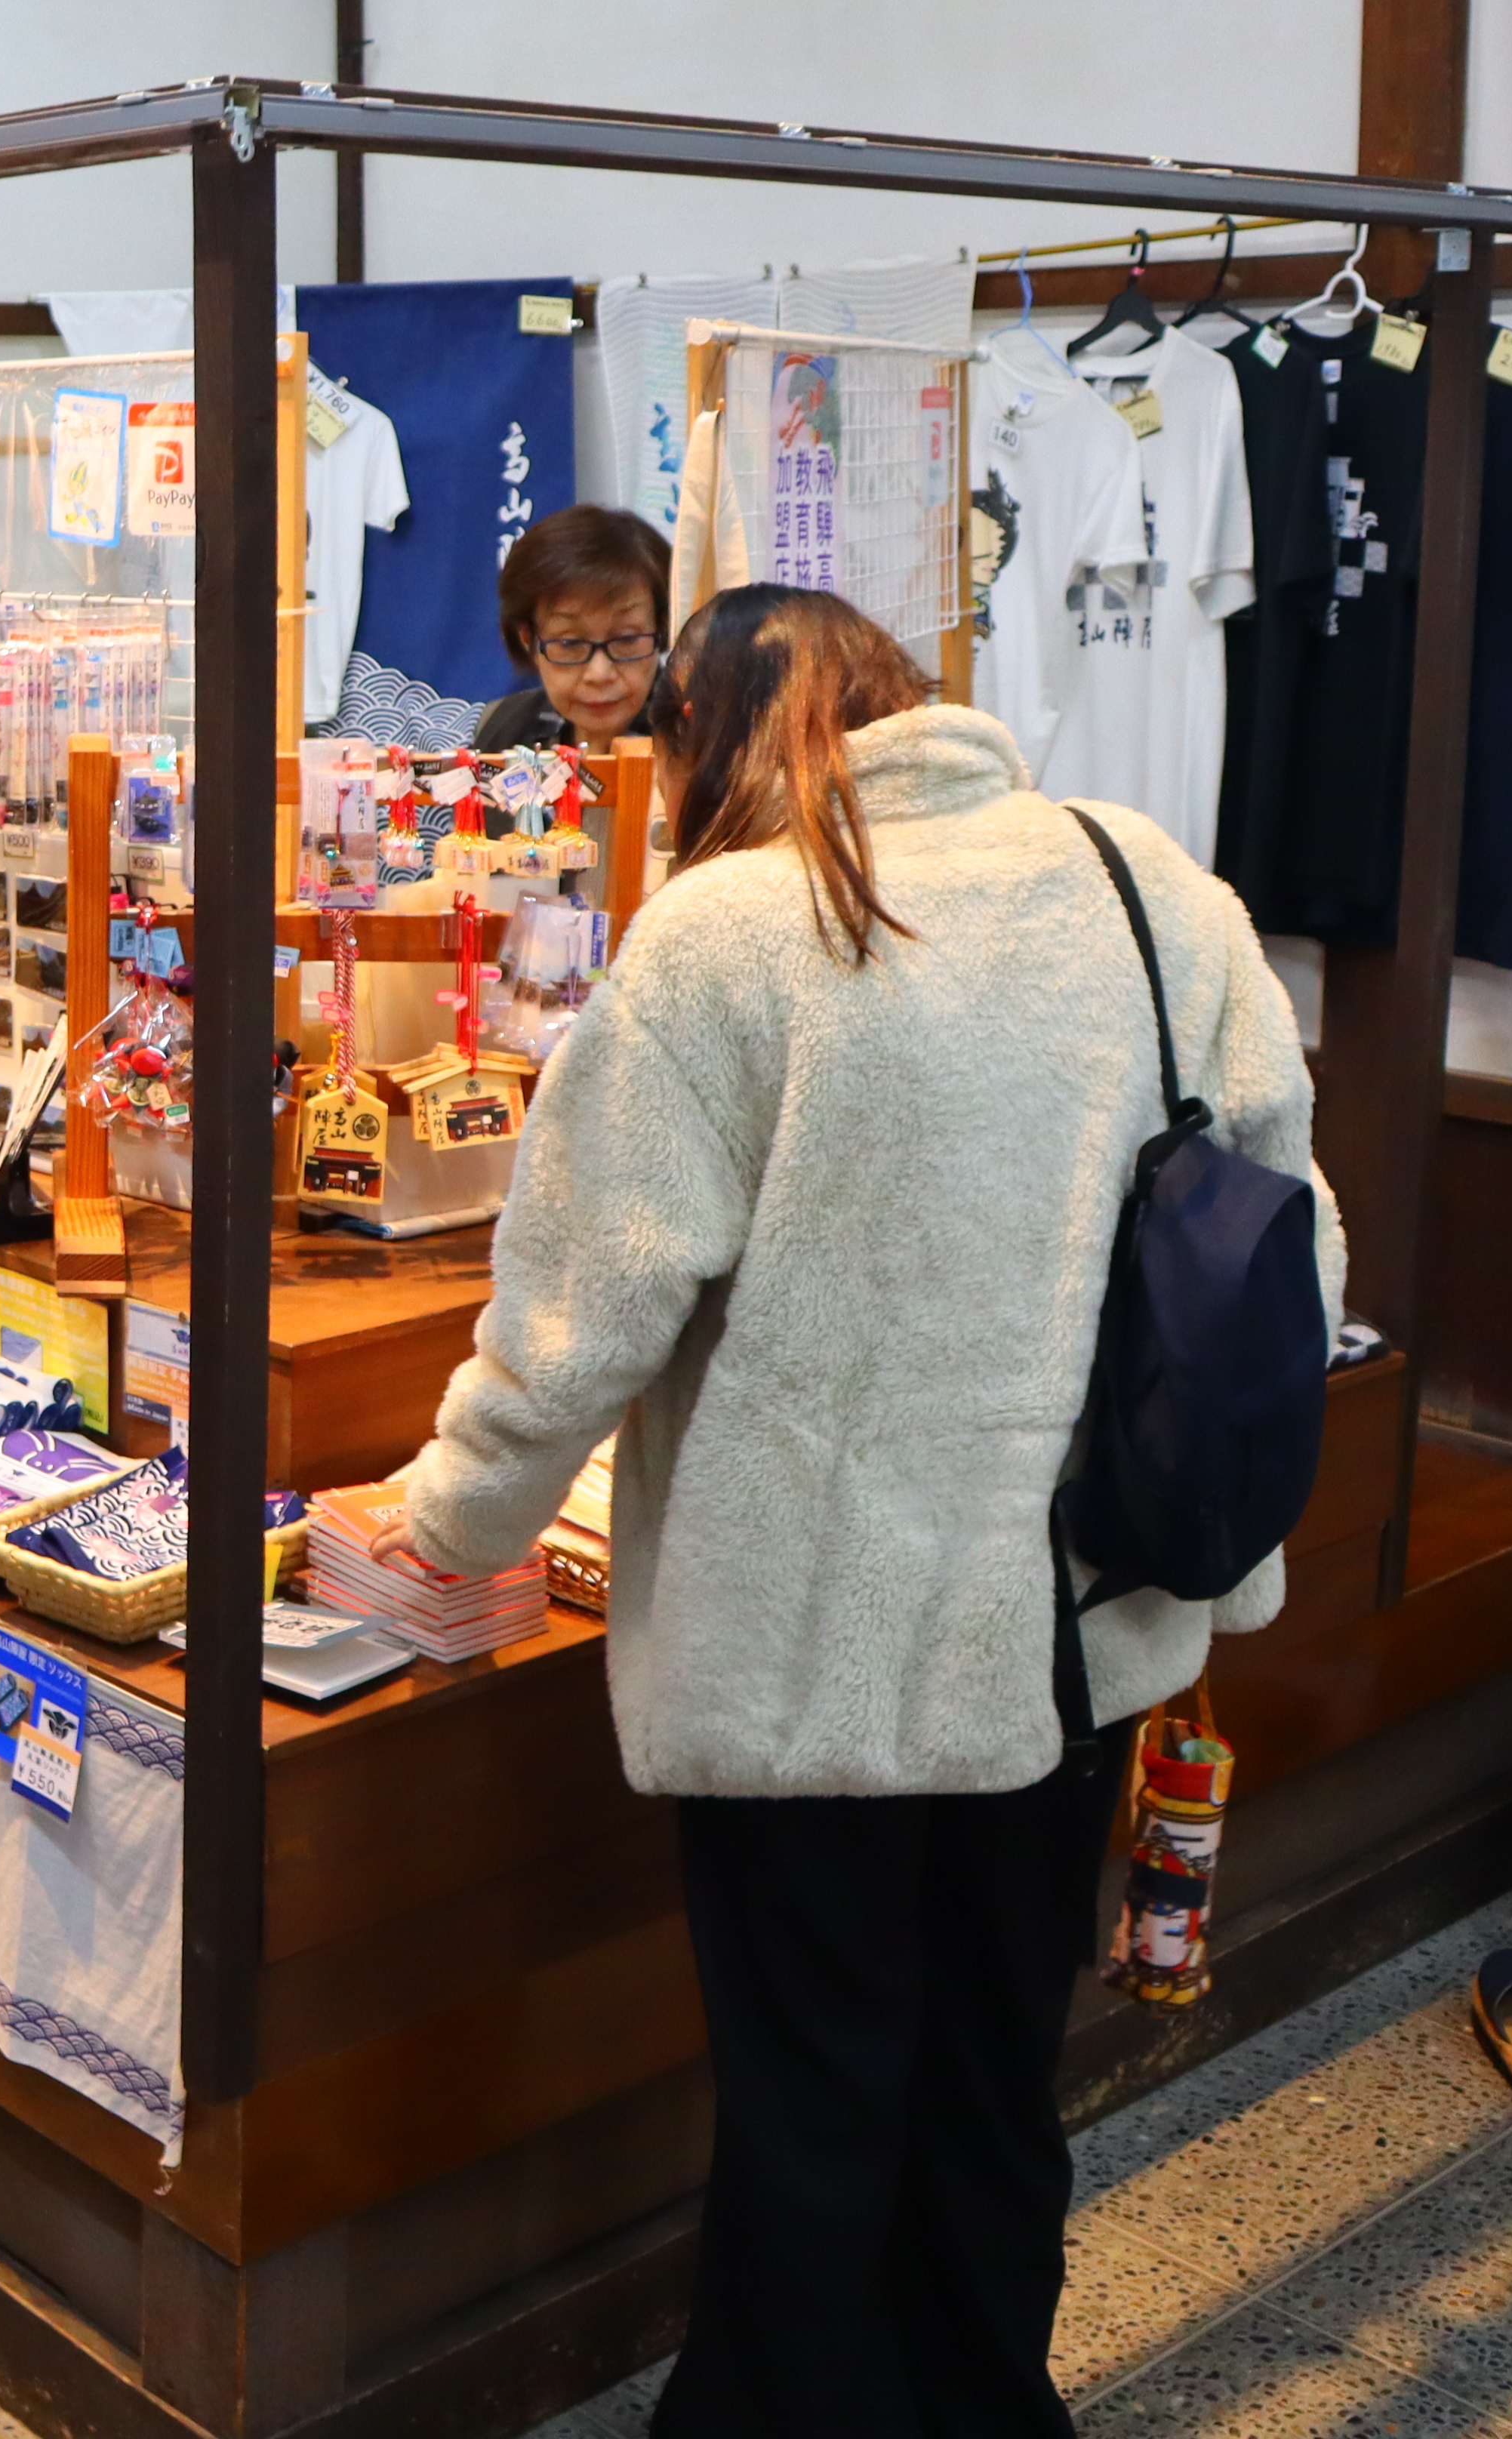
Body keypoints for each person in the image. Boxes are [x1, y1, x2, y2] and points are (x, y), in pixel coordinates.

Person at [381, 586, 1339, 2438]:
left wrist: (463, 1515)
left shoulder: (730, 932)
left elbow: (582, 1309)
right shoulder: (1149, 887)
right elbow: (1285, 1228)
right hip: (1079, 1618)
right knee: (994, 2078)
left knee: (815, 2097)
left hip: (814, 1643)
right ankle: (984, 2407)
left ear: (708, 743)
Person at [472, 505, 673, 756]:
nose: (599, 674)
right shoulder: (503, 727)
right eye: (570, 644)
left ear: (662, 628)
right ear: (528, 640)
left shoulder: (700, 738)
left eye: (627, 639)